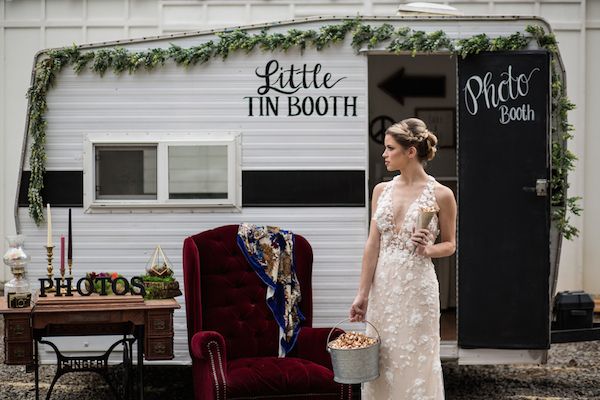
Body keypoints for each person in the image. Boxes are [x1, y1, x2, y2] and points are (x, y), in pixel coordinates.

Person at [349, 118, 457, 399]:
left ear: (410, 152)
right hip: (383, 289)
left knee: (416, 362)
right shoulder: (381, 191)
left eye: (389, 148)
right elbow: (372, 245)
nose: (384, 155)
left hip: (417, 288)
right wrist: (362, 294)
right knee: (382, 362)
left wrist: (429, 249)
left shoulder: (442, 195)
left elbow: (450, 245)